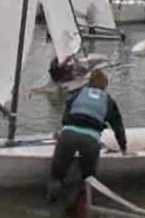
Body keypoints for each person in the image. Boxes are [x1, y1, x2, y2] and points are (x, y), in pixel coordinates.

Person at [46, 69, 127, 205]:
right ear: (105, 85)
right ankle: (77, 212)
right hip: (90, 140)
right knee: (87, 180)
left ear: (89, 83)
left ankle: (50, 207)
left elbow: (65, 119)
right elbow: (118, 126)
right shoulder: (108, 100)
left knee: (56, 177)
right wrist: (123, 148)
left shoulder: (77, 94)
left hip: (68, 135)